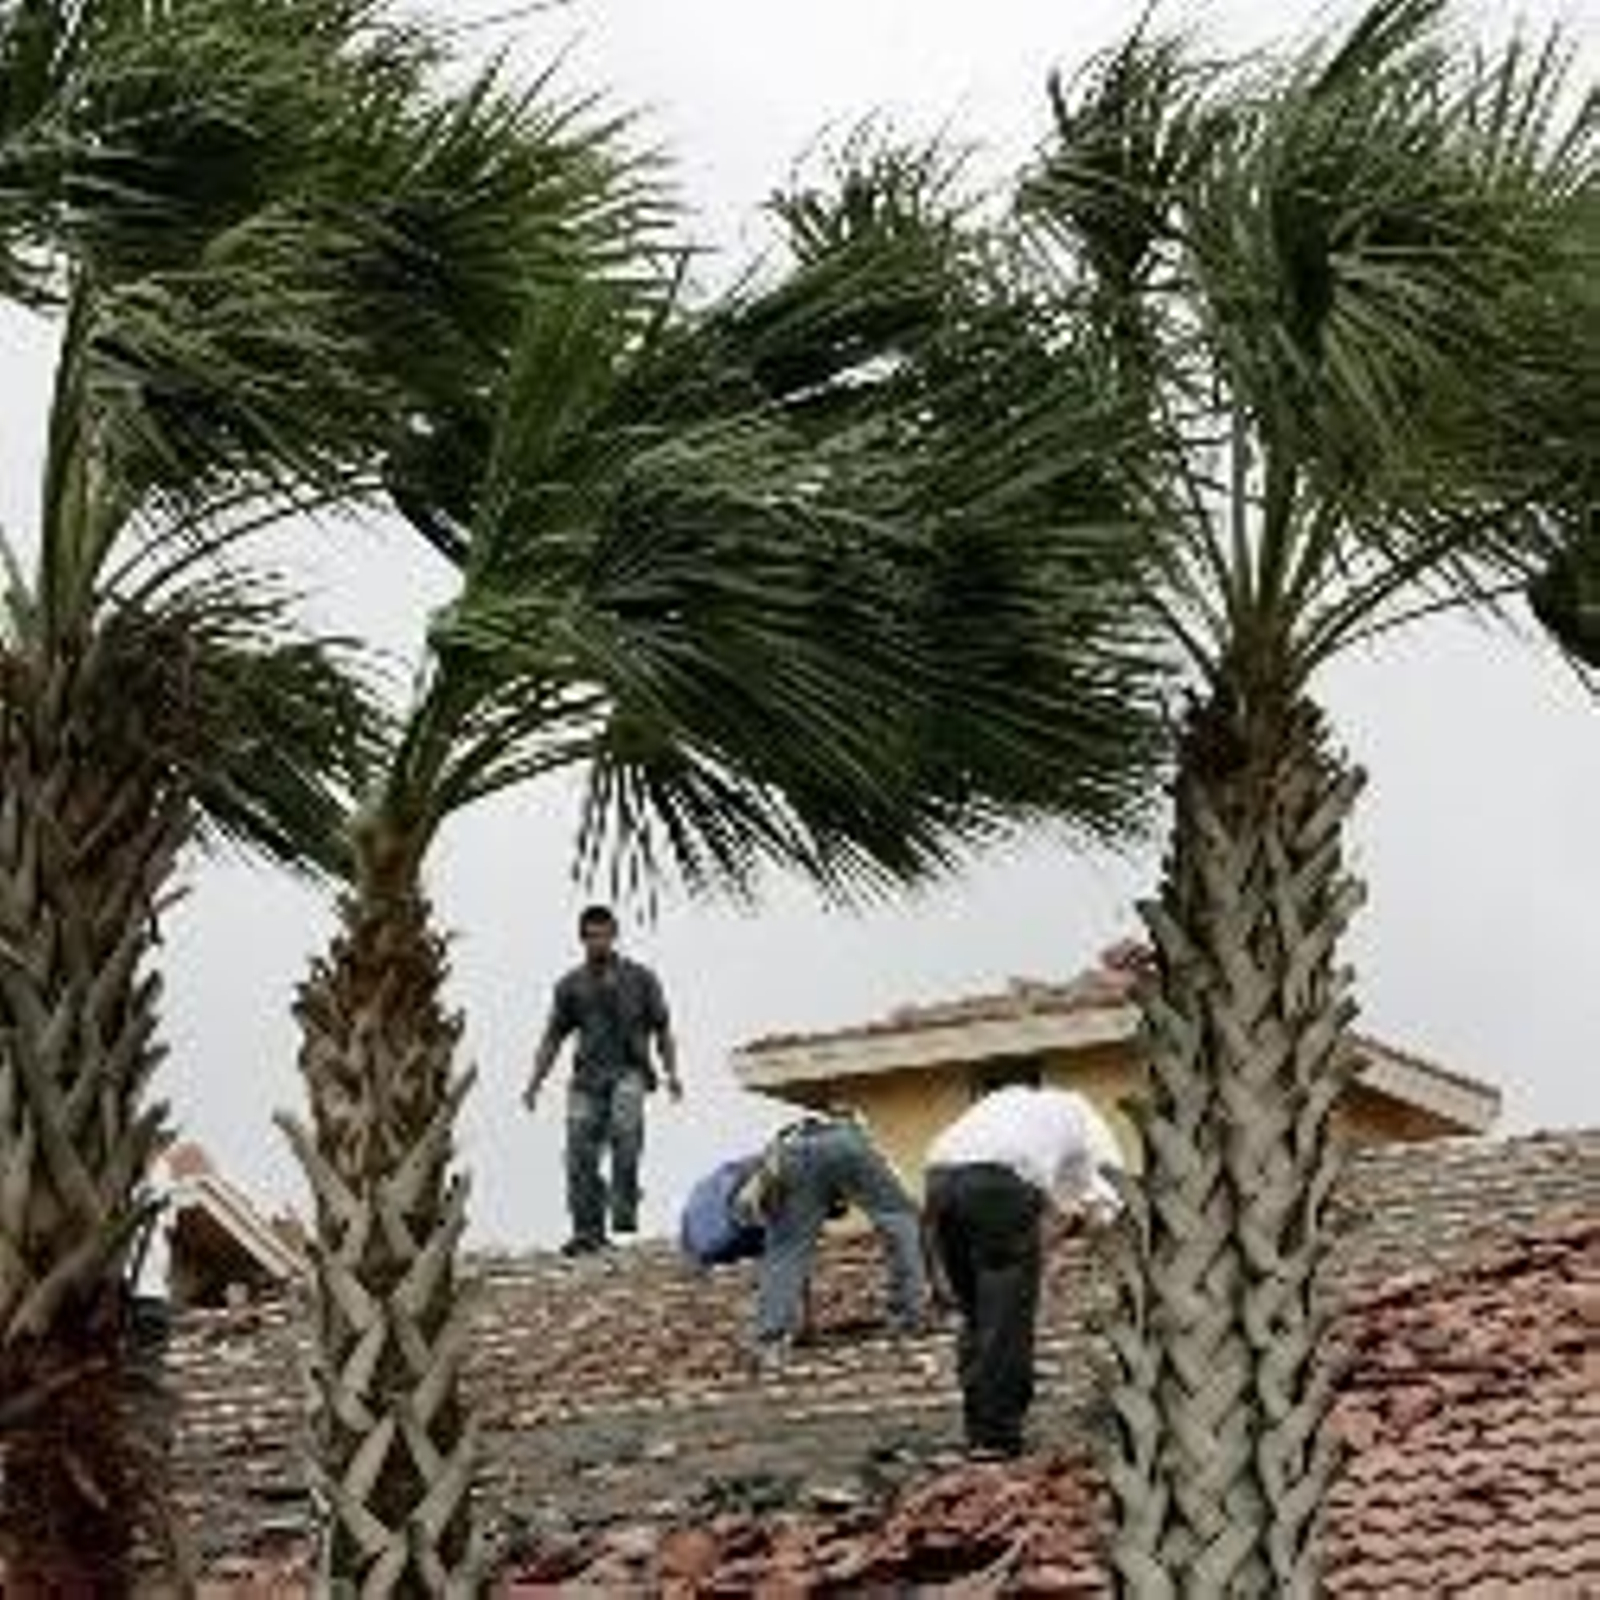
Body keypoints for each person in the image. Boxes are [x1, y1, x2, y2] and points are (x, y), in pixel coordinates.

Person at [922, 1085, 1123, 1459]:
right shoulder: (1079, 1120)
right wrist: (1097, 1226)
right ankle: (998, 1437)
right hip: (998, 1186)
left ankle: (978, 1427)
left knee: (977, 1312)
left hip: (939, 1182)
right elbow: (1095, 1197)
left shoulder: (1006, 1104)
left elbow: (1052, 1201)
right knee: (1006, 1317)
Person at [524, 905, 681, 1255]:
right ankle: (587, 1232)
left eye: (604, 934)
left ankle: (624, 1205)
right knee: (579, 1153)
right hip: (586, 1081)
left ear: (614, 935)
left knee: (626, 1131)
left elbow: (663, 1029)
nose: (598, 941)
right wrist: (535, 1081)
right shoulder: (570, 985)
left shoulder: (641, 978)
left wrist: (672, 1073)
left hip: (629, 1072)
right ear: (582, 939)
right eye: (591, 936)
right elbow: (553, 1037)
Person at [739, 1110, 925, 1374]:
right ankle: (910, 1317)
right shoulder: (855, 1135)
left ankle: (771, 1340)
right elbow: (899, 1198)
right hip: (848, 1144)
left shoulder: (769, 1158)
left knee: (787, 1251)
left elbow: (762, 1209)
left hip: (793, 1155)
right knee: (900, 1222)